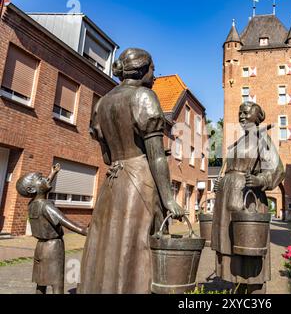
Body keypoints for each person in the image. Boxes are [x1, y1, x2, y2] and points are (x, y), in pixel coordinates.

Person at [78, 48, 184, 294]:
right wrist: (169, 199)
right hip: (140, 179)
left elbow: (106, 157)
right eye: (153, 69)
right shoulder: (144, 97)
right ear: (141, 70)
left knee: (109, 242)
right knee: (137, 243)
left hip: (113, 181)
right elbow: (157, 155)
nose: (155, 75)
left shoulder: (102, 103)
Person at [211, 102, 285, 294]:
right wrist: (223, 182)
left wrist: (260, 179)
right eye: (239, 112)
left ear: (258, 115)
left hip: (247, 201)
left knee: (248, 246)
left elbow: (277, 169)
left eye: (246, 112)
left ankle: (254, 291)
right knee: (232, 249)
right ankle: (238, 288)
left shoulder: (263, 140)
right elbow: (230, 169)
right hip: (228, 199)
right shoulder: (238, 142)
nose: (241, 116)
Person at [16, 164, 88, 294]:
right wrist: (84, 231)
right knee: (57, 283)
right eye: (40, 178)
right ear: (31, 189)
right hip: (53, 247)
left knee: (41, 282)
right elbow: (66, 222)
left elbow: (44, 186)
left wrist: (53, 173)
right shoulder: (46, 206)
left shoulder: (32, 204)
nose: (45, 179)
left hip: (40, 247)